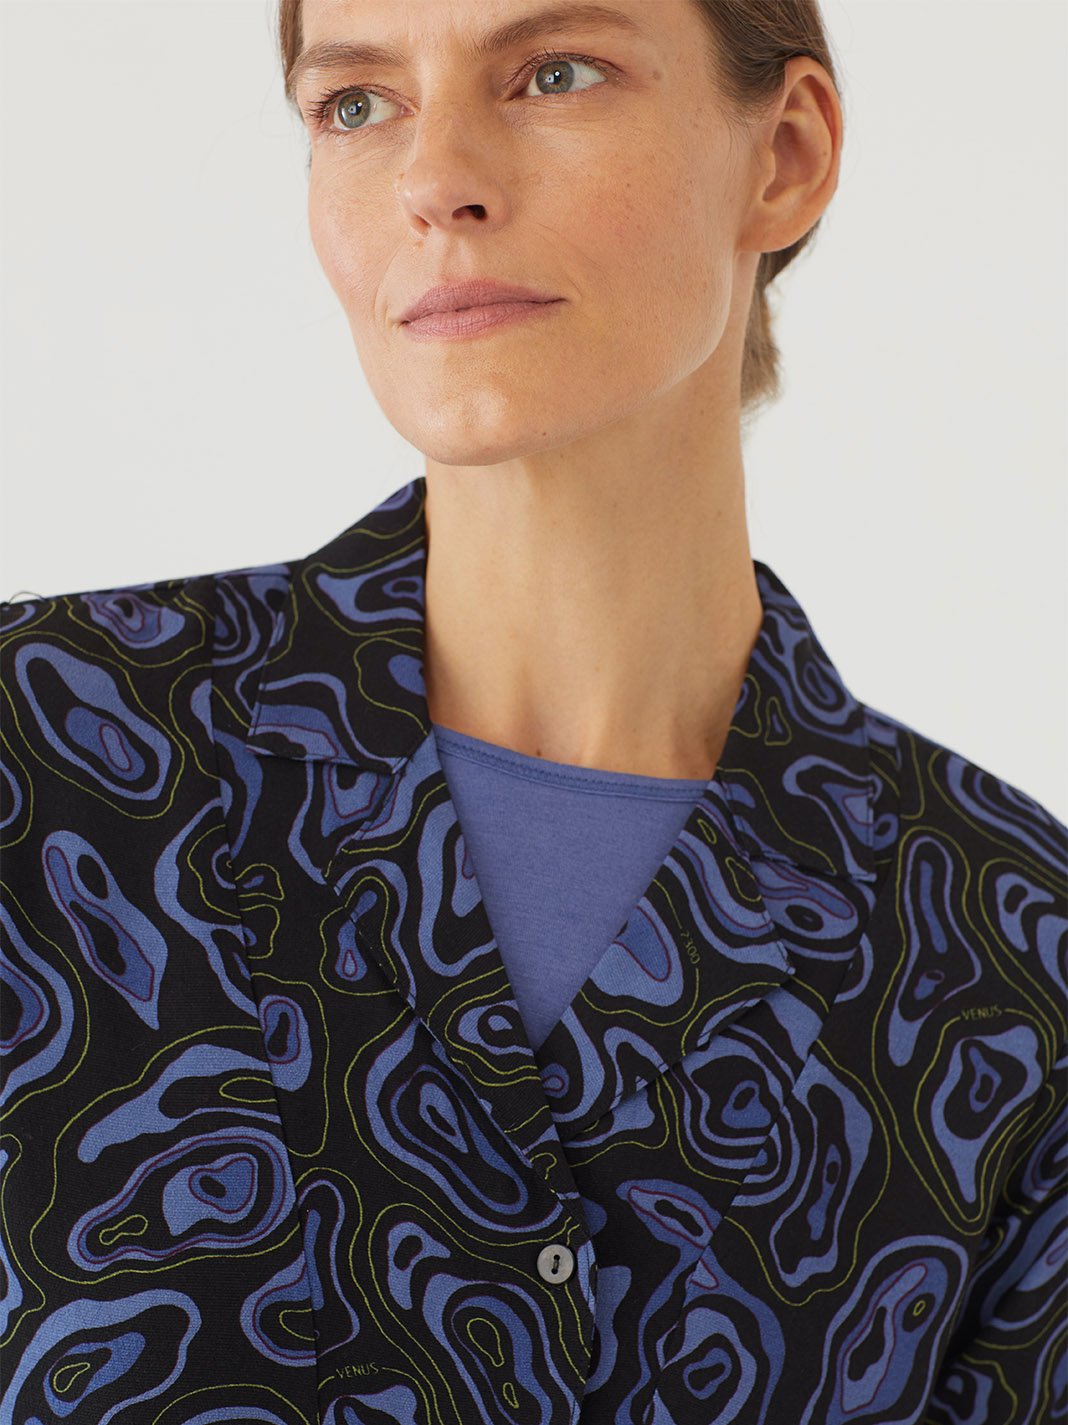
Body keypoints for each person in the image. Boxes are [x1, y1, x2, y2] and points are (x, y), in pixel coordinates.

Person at [1, 1, 1064, 1421]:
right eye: (357, 105)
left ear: (786, 156)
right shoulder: (43, 757)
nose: (436, 178)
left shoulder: (1012, 962)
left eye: (554, 74)